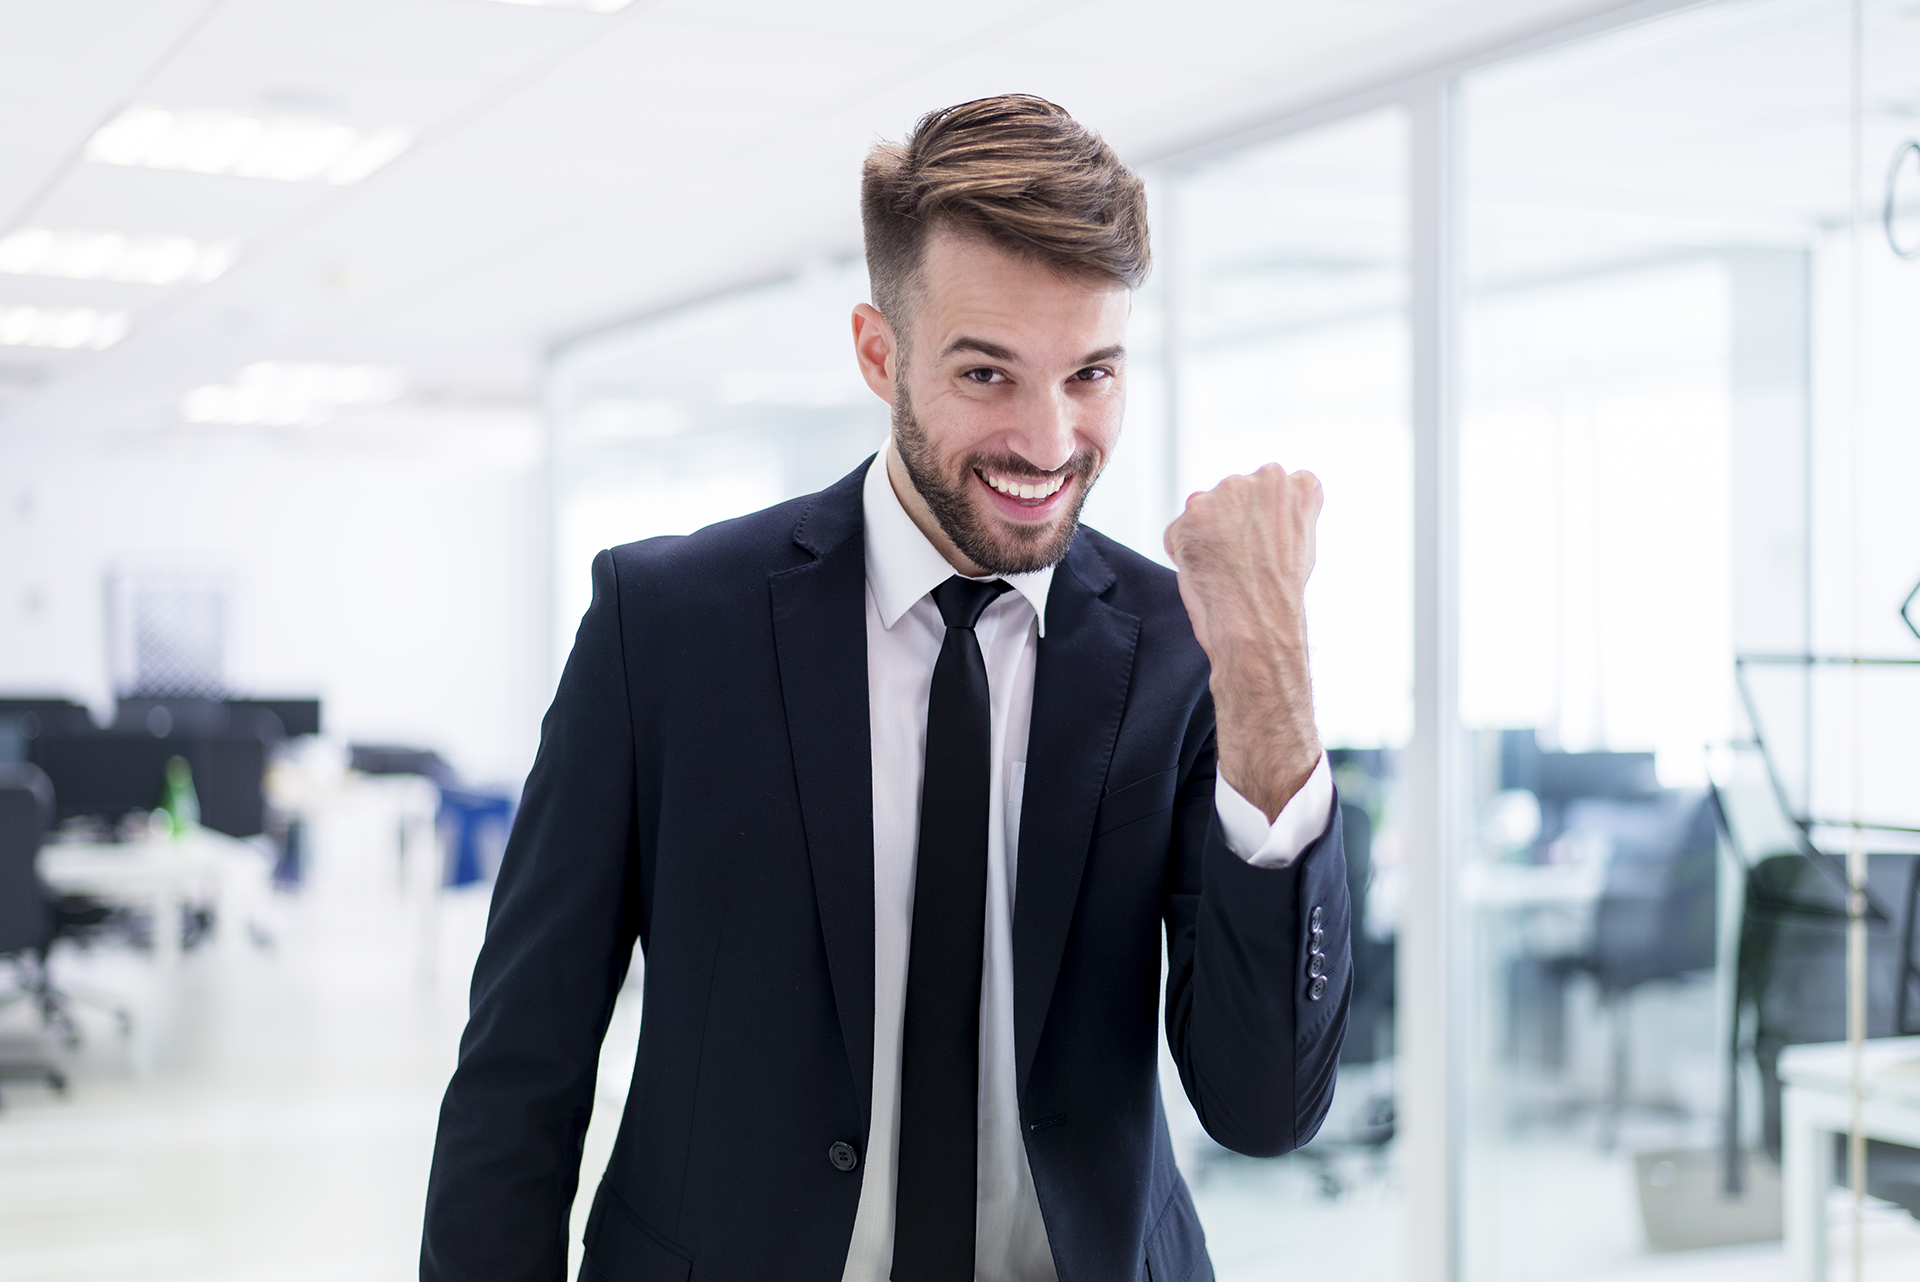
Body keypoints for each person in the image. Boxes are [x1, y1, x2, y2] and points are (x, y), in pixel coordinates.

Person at [421, 94, 1349, 1282]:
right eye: (987, 372)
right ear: (880, 352)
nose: (1050, 440)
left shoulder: (1183, 647)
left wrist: (1273, 679)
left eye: (1092, 373)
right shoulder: (666, 627)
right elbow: (522, 1069)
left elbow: (1264, 1105)